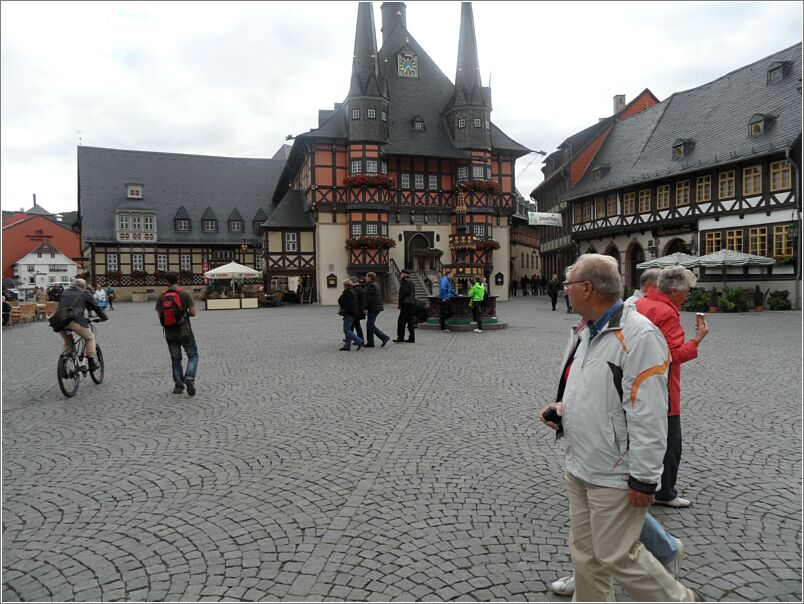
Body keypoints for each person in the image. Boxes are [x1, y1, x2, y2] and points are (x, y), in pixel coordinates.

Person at [540, 254, 699, 602]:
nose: (565, 291)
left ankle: (681, 600)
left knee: (616, 554)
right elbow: (595, 390)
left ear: (587, 288)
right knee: (585, 553)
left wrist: (644, 478)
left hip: (615, 469)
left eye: (568, 285)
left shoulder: (639, 336)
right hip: (581, 461)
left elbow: (649, 414)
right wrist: (564, 410)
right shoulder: (586, 330)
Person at [636, 265, 709, 508]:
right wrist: (697, 340)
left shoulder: (642, 303)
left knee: (644, 436)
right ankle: (664, 492)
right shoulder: (666, 312)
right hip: (662, 384)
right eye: (687, 290)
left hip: (639, 382)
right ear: (675, 290)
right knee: (670, 442)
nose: (689, 294)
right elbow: (672, 354)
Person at [155, 272, 198, 395]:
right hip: (185, 331)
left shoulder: (162, 296)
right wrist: (182, 314)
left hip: (169, 333)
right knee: (193, 355)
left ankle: (179, 386)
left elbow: (160, 316)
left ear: (166, 282)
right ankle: (189, 377)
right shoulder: (185, 294)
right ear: (177, 280)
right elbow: (193, 313)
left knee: (175, 359)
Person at [57, 278, 108, 371]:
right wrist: (104, 317)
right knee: (90, 338)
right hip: (75, 320)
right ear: (83, 286)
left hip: (60, 321)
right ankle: (92, 362)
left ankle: (63, 363)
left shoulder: (65, 292)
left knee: (67, 342)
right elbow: (95, 306)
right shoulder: (85, 293)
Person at [363, 272, 391, 347]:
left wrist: (366, 308)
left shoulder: (371, 285)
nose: (365, 278)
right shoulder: (374, 284)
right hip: (375, 307)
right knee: (369, 324)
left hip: (374, 307)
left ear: (370, 278)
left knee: (370, 325)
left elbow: (369, 299)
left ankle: (384, 337)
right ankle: (370, 342)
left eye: (366, 276)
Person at [337, 279, 364, 351]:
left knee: (346, 330)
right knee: (348, 329)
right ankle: (347, 346)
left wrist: (344, 309)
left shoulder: (348, 292)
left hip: (349, 313)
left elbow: (347, 303)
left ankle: (359, 341)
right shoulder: (352, 291)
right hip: (353, 312)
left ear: (345, 285)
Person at [394, 269, 416, 343]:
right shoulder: (412, 281)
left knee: (401, 321)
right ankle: (412, 338)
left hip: (406, 303)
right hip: (412, 303)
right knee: (410, 321)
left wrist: (400, 303)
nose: (400, 276)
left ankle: (400, 338)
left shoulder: (405, 281)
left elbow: (404, 293)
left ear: (403, 274)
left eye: (401, 274)